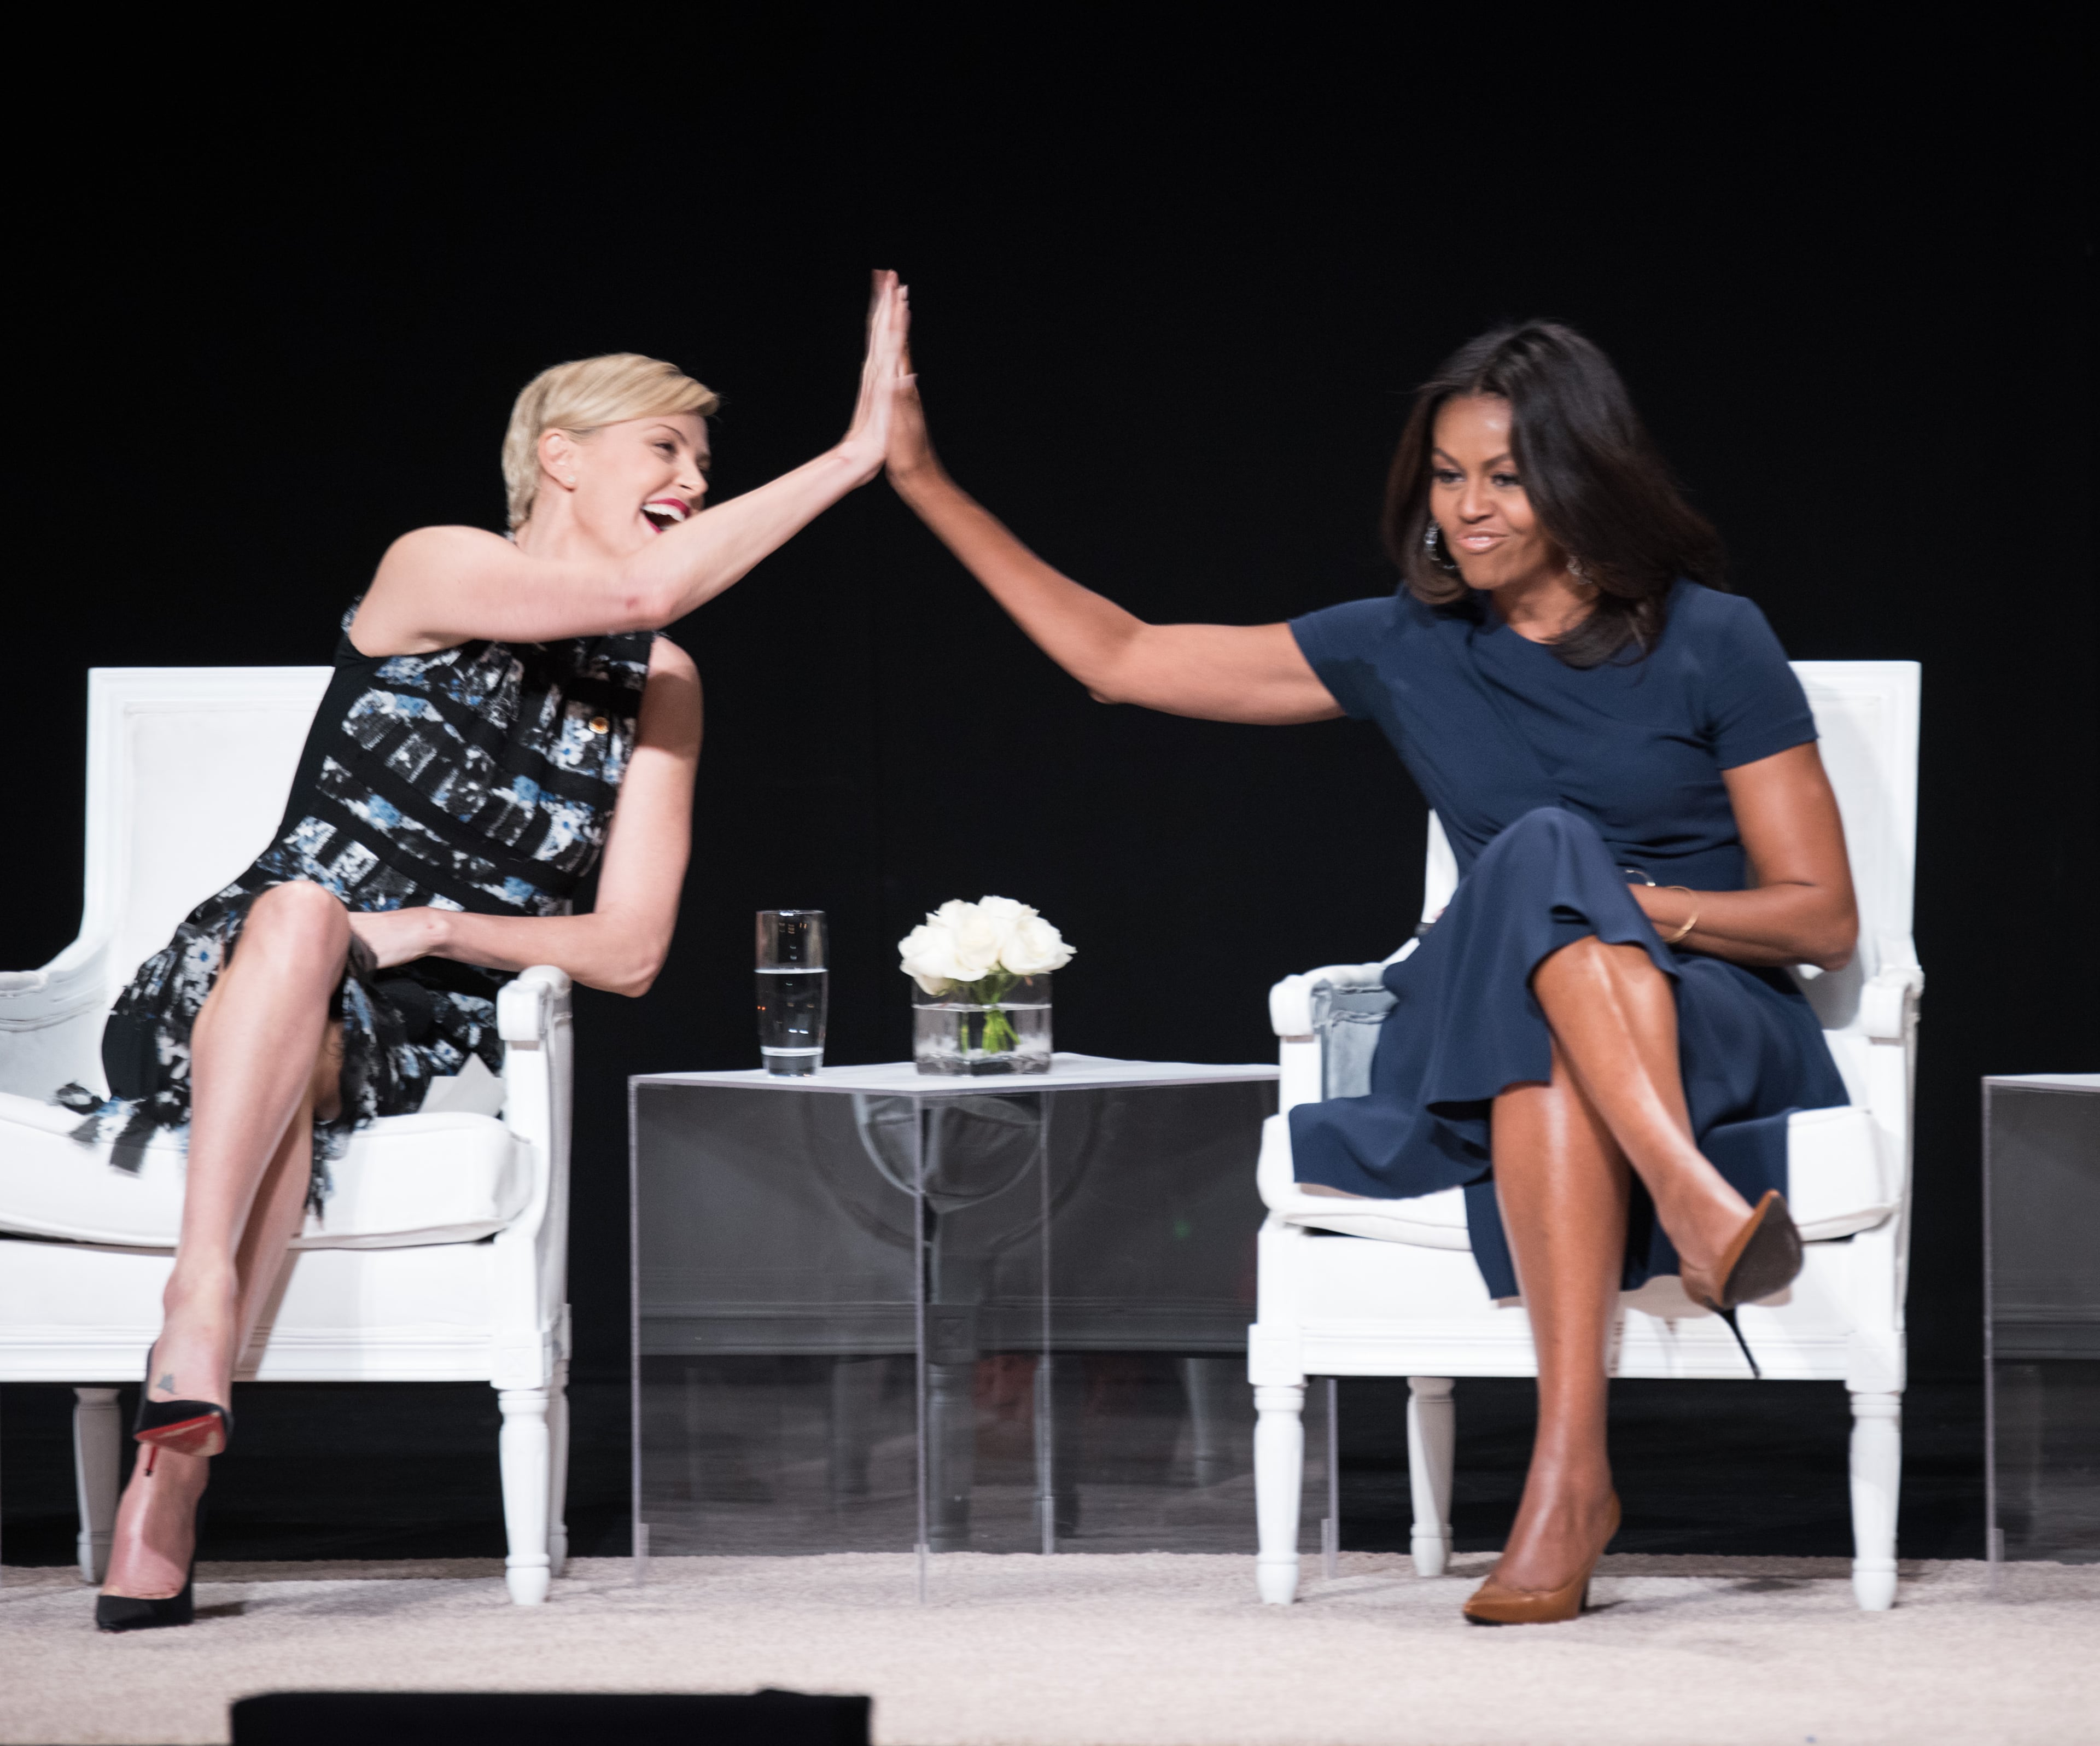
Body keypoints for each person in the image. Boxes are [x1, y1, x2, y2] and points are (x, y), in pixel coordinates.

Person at [884, 318, 1856, 1625]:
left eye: (1505, 476)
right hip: (1491, 1013)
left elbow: (1820, 916)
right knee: (1541, 884)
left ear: (1582, 473)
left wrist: (1631, 910)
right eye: (1448, 477)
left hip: (1712, 1021)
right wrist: (924, 481)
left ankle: (1572, 1481)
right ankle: (1684, 1206)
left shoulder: (1711, 638)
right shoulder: (1404, 643)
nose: (1470, 508)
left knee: (1550, 906)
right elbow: (1120, 658)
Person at [71, 273, 913, 1630]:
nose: (694, 479)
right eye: (668, 449)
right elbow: (637, 581)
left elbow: (632, 948)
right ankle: (197, 1313)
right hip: (227, 982)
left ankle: (175, 1443)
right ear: (561, 456)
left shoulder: (667, 682)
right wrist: (853, 456)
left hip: (418, 1035)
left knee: (323, 1003)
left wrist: (444, 928)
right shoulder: (439, 565)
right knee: (298, 918)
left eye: (707, 462)